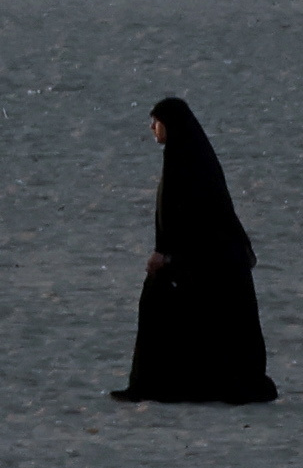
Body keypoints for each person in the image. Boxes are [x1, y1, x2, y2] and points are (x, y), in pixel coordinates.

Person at [111, 95, 276, 405]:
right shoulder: (186, 158)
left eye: (156, 122)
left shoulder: (188, 164)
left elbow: (192, 217)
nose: (152, 128)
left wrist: (167, 255)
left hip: (202, 262)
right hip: (196, 260)